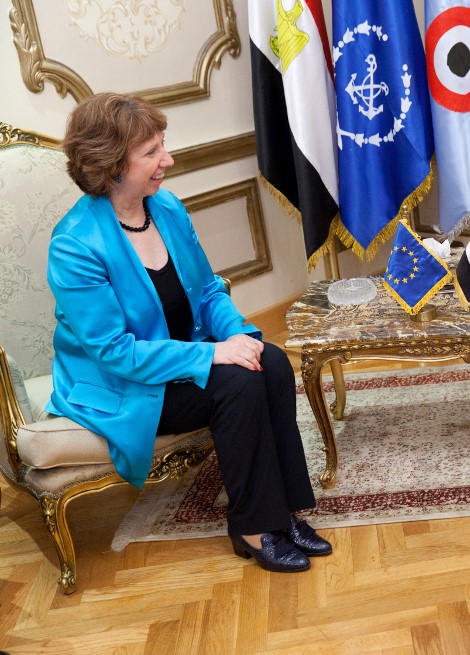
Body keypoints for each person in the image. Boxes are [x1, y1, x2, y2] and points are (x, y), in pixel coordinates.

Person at [47, 93, 332, 573]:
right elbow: (115, 353)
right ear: (113, 165)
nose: (168, 159)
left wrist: (241, 338)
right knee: (237, 383)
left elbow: (208, 294)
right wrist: (214, 356)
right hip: (127, 385)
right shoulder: (75, 245)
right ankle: (253, 527)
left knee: (272, 361)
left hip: (180, 358)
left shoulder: (168, 209)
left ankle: (285, 511)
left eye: (164, 144)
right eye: (152, 152)